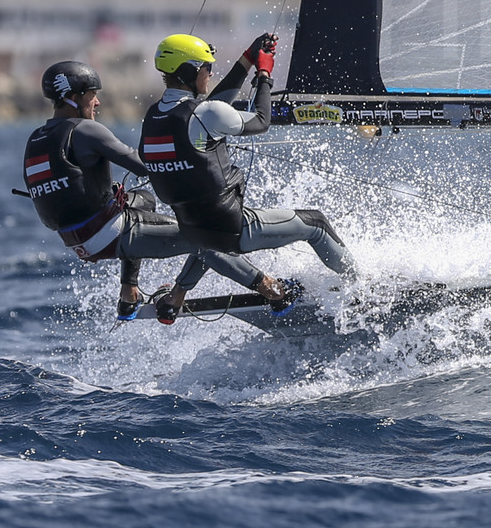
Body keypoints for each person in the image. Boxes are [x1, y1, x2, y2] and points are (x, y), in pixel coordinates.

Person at [22, 60, 301, 323]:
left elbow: (66, 188)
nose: (97, 102)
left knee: (143, 200)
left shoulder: (37, 138)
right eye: (92, 95)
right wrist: (194, 152)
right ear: (74, 97)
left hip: (79, 241)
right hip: (109, 232)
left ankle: (129, 292)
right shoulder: (86, 130)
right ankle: (272, 290)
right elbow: (146, 165)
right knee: (207, 237)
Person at [141, 33, 354, 318]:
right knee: (315, 223)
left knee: (206, 238)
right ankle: (362, 287)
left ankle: (177, 296)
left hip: (195, 228)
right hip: (233, 227)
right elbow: (261, 121)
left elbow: (213, 105)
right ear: (190, 71)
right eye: (207, 67)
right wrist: (264, 74)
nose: (210, 73)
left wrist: (247, 58)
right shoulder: (204, 114)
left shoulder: (154, 117)